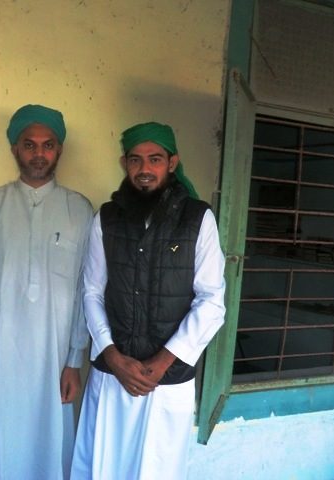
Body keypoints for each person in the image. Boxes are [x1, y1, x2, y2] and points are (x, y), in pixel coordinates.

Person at [70, 122, 226, 479]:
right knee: (102, 466)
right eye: (135, 160)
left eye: (155, 159)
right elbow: (91, 291)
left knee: (156, 470)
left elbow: (212, 301)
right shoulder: (107, 218)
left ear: (172, 163)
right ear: (124, 163)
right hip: (112, 375)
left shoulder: (197, 218)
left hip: (168, 380)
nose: (144, 169)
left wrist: (162, 362)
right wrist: (112, 355)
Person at [0, 104, 94, 479]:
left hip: (54, 360)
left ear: (59, 149)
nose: (39, 154)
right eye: (29, 144)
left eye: (48, 145)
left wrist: (74, 359)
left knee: (50, 444)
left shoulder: (80, 210)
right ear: (15, 149)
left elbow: (86, 291)